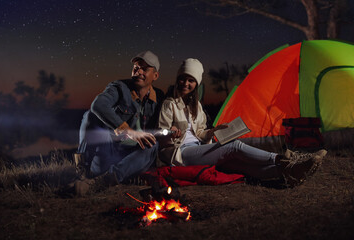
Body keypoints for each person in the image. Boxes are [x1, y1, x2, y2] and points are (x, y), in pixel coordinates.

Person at [158, 58, 327, 187]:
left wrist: (214, 131)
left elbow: (200, 133)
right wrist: (170, 132)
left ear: (196, 84)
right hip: (181, 153)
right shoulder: (169, 104)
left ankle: (289, 172)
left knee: (239, 165)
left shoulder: (197, 107)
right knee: (234, 146)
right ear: (177, 79)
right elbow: (161, 134)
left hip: (198, 148)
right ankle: (283, 159)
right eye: (183, 79)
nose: (186, 84)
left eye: (191, 80)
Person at [75, 50, 165, 192]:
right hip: (109, 152)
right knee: (90, 115)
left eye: (145, 69)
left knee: (153, 144)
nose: (139, 71)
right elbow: (98, 105)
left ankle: (106, 180)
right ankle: (83, 171)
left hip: (133, 157)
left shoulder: (159, 96)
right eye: (136, 67)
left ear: (155, 75)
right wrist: (128, 131)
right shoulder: (119, 87)